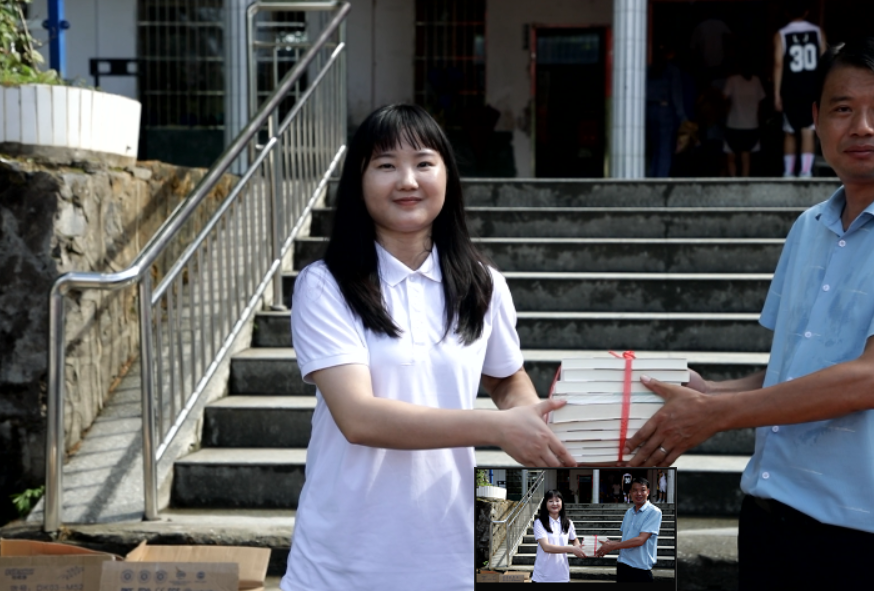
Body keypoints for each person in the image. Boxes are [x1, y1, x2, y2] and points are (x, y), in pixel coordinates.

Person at [624, 38, 874, 590]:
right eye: (842, 108)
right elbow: (795, 369)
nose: (862, 126)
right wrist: (712, 391)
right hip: (768, 524)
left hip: (866, 543)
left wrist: (716, 414)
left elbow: (872, 379)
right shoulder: (809, 228)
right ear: (816, 119)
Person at [281, 104, 577, 591]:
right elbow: (358, 417)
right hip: (342, 564)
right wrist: (499, 427)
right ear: (358, 182)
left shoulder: (483, 284)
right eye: (385, 165)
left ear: (447, 176)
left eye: (423, 163)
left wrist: (531, 419)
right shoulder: (326, 285)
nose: (407, 181)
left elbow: (506, 377)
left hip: (448, 556)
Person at [773, 0, 826, 177]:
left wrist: (776, 94)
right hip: (811, 87)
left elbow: (778, 64)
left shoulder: (782, 34)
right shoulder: (817, 32)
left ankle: (788, 172)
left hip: (791, 88)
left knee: (789, 131)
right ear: (806, 12)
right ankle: (805, 171)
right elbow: (825, 61)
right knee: (808, 131)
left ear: (786, 13)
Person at [595, 478, 662, 583]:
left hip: (640, 569)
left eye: (642, 490)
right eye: (635, 490)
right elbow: (626, 539)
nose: (638, 493)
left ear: (648, 492)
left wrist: (612, 546)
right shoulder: (629, 512)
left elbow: (640, 540)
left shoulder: (654, 512)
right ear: (630, 492)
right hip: (622, 566)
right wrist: (609, 543)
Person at [647, 44, 689, 177]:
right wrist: (683, 118)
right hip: (665, 109)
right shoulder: (672, 70)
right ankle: (661, 179)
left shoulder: (648, 70)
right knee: (664, 149)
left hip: (649, 109)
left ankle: (652, 177)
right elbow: (676, 95)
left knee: (654, 148)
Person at [722, 59, 766, 177]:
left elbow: (723, 99)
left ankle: (733, 180)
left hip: (734, 125)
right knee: (746, 157)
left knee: (731, 156)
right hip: (751, 126)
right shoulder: (756, 80)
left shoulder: (732, 80)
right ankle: (744, 182)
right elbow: (761, 101)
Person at [532, 489, 586, 583]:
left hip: (562, 575)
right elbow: (546, 547)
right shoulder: (539, 523)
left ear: (562, 503)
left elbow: (574, 539)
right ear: (545, 504)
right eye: (550, 501)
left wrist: (579, 549)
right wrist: (572, 549)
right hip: (543, 577)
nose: (554, 504)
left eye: (557, 501)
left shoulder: (568, 522)